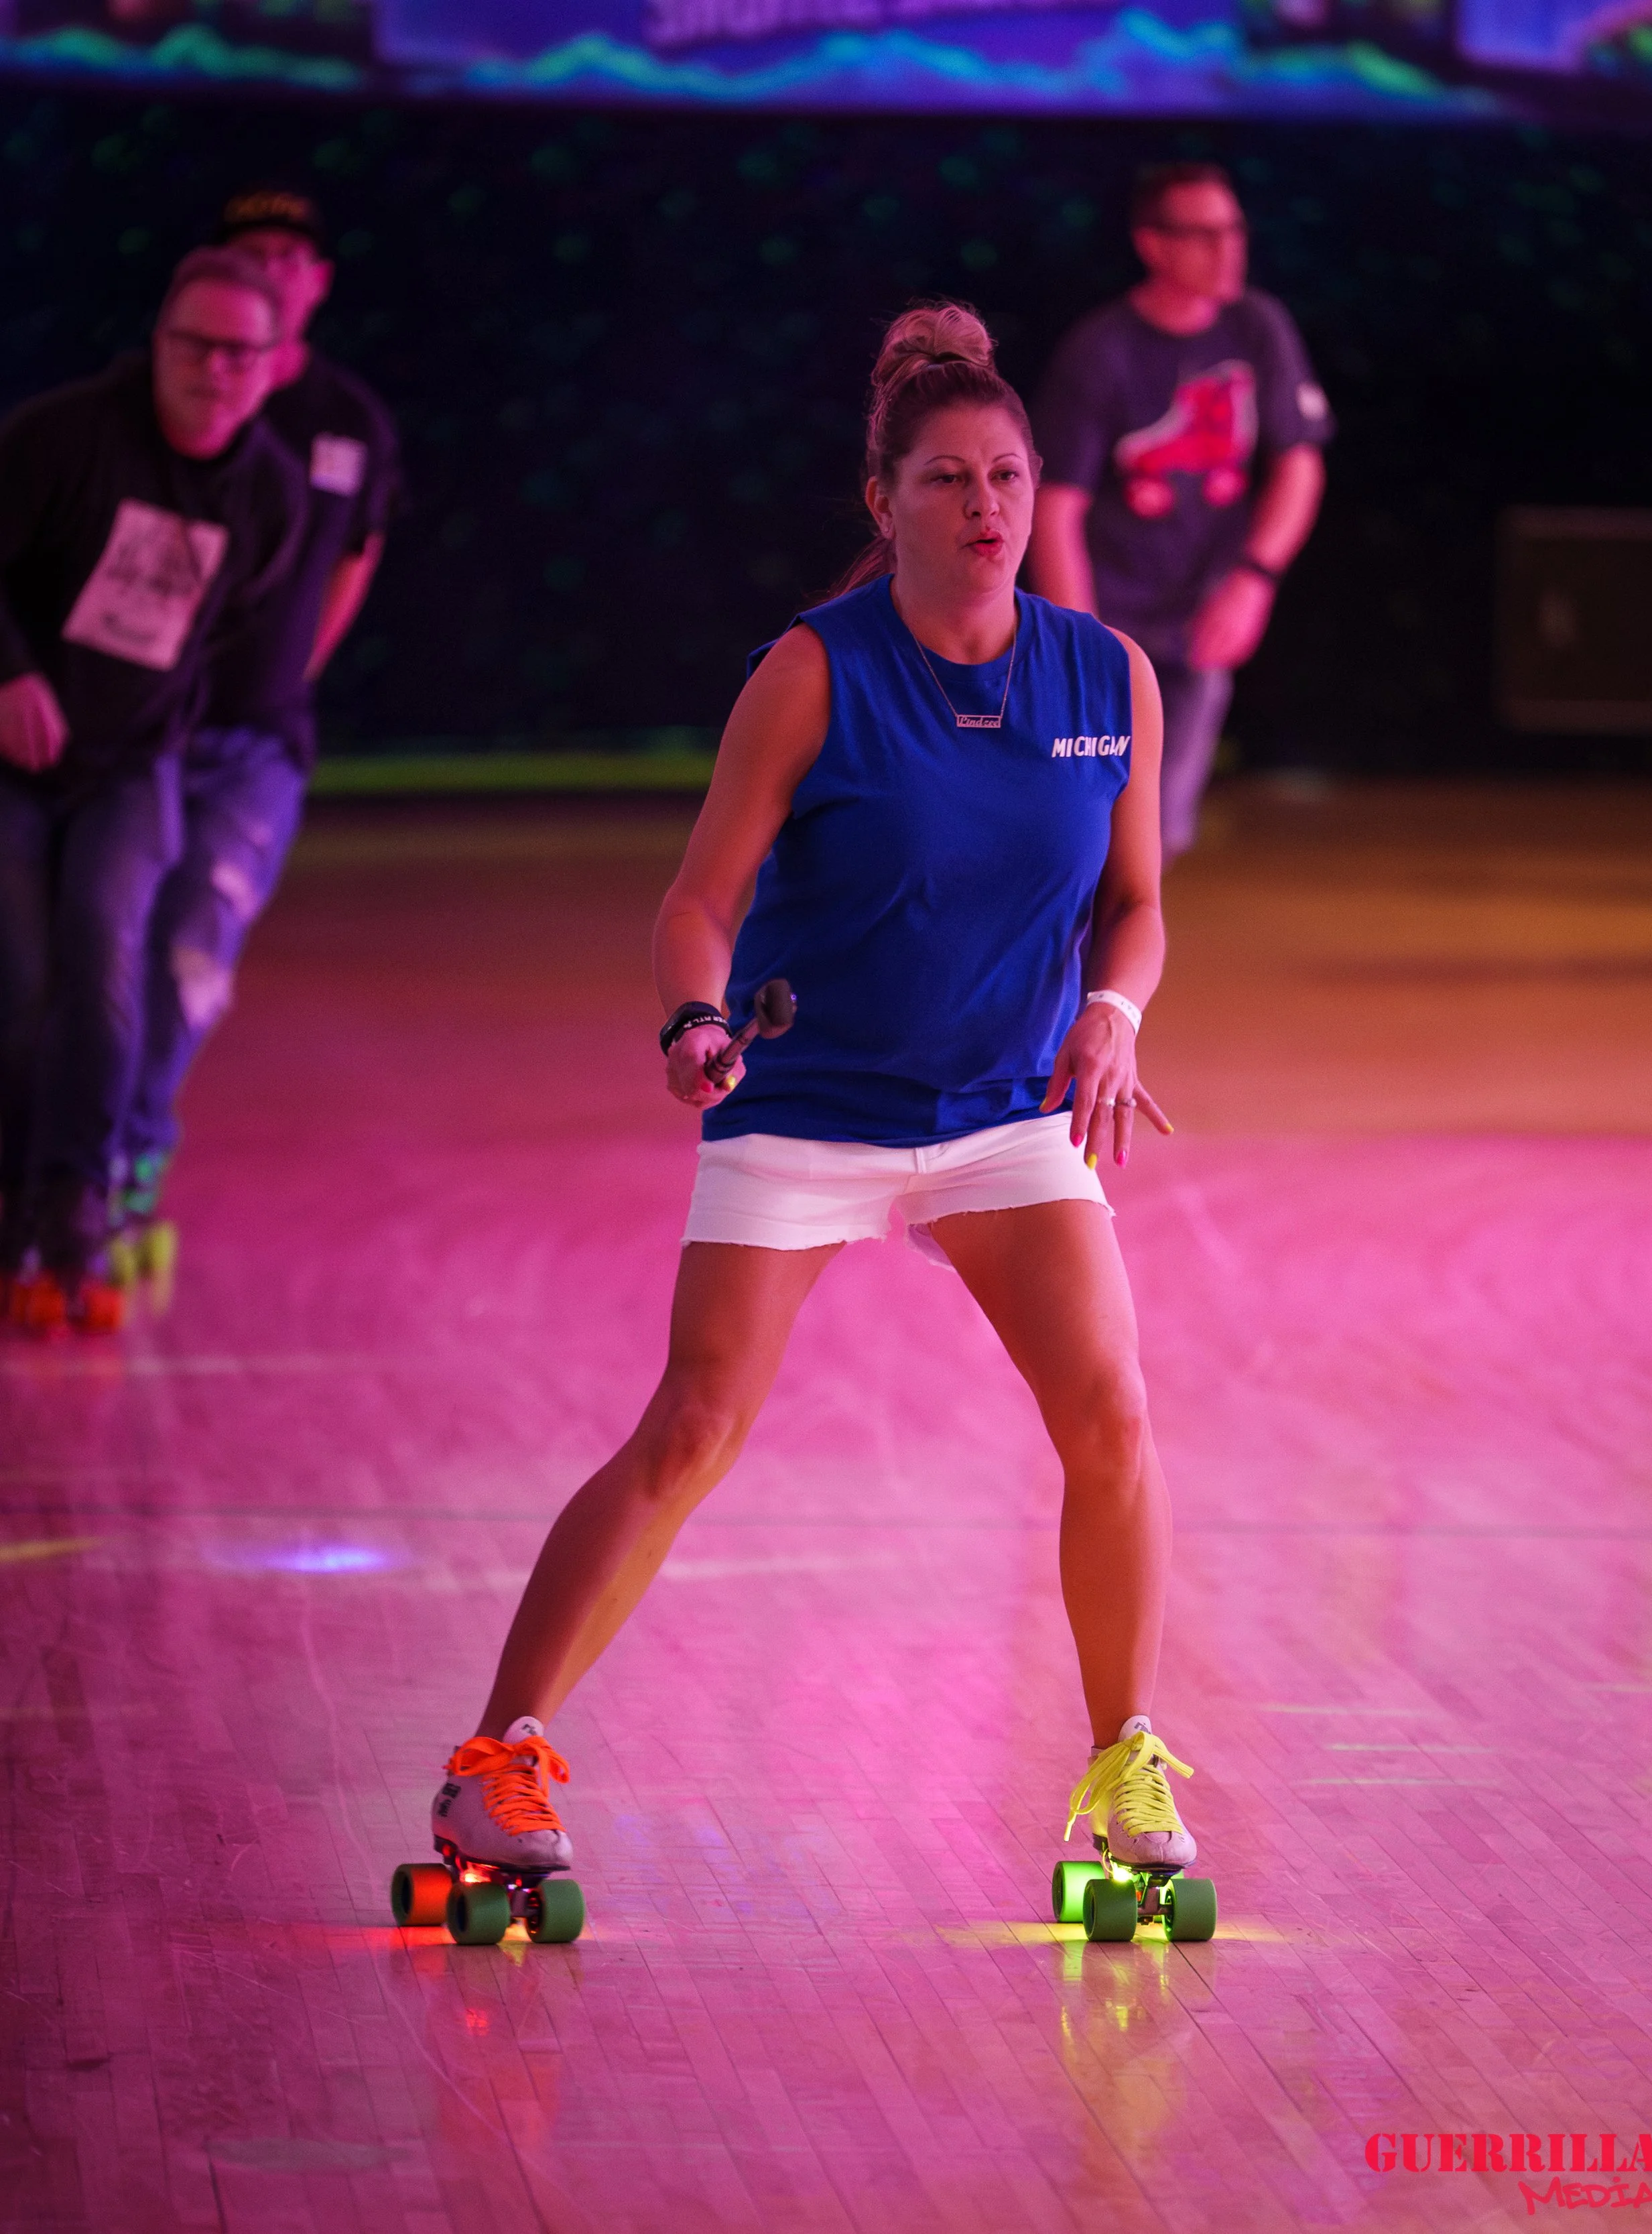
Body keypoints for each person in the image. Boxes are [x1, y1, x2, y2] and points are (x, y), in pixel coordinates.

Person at [422, 301, 1200, 1907]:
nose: (985, 508)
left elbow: (1135, 902)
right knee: (693, 1427)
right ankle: (496, 1761)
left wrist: (1115, 1015)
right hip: (809, 1106)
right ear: (885, 502)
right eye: (947, 482)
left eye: (1007, 479)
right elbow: (699, 901)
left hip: (1004, 1113)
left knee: (1114, 1418)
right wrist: (696, 1015)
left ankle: (1125, 1767)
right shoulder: (812, 669)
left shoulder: (1105, 675)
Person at [0, 247, 306, 1326]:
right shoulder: (60, 436)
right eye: (197, 344)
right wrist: (16, 672)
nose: (216, 369)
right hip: (14, 758)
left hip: (131, 764)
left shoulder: (269, 488)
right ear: (160, 344)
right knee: (26, 970)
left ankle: (74, 1199)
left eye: (241, 353)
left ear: (273, 367)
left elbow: (219, 626)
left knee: (107, 957)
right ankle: (17, 1195)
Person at [113, 186, 402, 1251]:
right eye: (253, 252)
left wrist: (290, 673)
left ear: (318, 283)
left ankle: (128, 1155)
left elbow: (357, 555)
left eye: (294, 255)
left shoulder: (349, 424)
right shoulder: (164, 406)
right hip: (134, 733)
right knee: (96, 946)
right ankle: (68, 1165)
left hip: (257, 744)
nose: (276, 268)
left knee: (191, 948)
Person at [1029, 162, 1332, 863]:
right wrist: (1084, 643)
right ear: (1153, 245)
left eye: (1233, 231)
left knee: (1156, 839)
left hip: (1197, 621)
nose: (1228, 251)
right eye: (1203, 235)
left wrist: (1253, 579)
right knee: (1082, 829)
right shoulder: (1101, 351)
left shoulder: (1257, 325)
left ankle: (1117, 976)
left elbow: (1299, 462)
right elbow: (1055, 508)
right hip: (1112, 616)